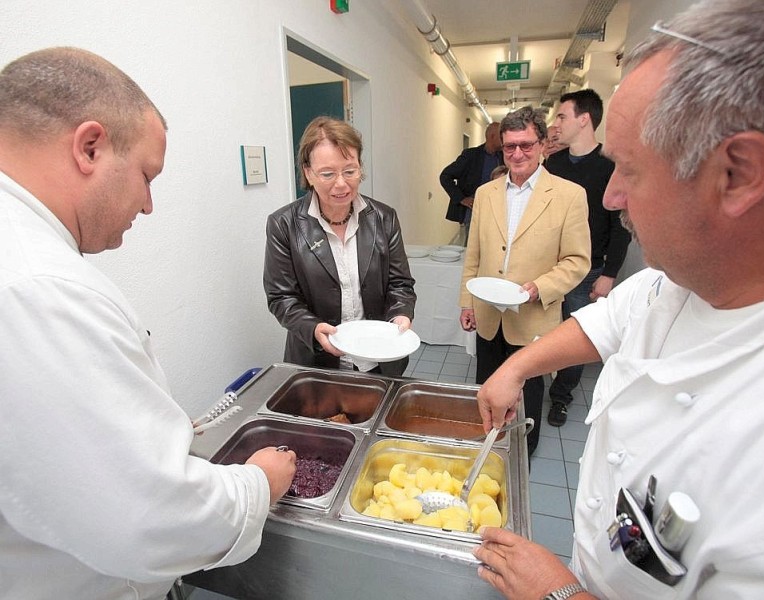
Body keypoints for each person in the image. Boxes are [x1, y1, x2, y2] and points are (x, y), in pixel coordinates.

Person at [473, 0, 764, 597]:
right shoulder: (672, 282)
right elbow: (602, 324)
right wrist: (516, 367)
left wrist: (563, 595)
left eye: (629, 169)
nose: (612, 197)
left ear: (739, 173)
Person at [0, 47, 297, 600]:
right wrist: (259, 484)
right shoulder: (39, 287)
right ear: (90, 147)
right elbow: (149, 516)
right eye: (146, 175)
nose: (148, 204)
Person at [459, 106, 590, 456]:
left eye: (526, 145)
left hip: (532, 320)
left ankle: (521, 455)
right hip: (489, 317)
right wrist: (466, 302)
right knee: (487, 388)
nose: (517, 154)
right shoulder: (486, 194)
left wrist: (540, 287)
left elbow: (578, 261)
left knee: (527, 398)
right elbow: (473, 253)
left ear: (543, 145)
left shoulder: (569, 195)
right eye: (509, 147)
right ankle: (489, 449)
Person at [264, 116, 416, 377]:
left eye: (349, 170)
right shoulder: (284, 225)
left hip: (378, 359)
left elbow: (400, 284)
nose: (341, 184)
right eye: (327, 174)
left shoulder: (383, 217)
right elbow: (281, 297)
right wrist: (312, 328)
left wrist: (399, 314)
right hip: (315, 362)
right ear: (308, 173)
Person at [546, 89, 631, 427]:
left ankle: (561, 397)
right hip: (549, 268)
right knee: (543, 331)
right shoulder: (553, 164)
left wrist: (609, 273)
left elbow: (621, 226)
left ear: (584, 120)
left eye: (562, 116)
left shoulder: (608, 165)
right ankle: (530, 386)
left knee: (578, 335)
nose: (556, 124)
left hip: (588, 268)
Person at [440, 121, 503, 242]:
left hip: (497, 212)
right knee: (472, 248)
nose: (505, 138)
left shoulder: (503, 157)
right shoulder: (471, 156)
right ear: (492, 136)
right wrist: (462, 198)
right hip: (474, 213)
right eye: (501, 135)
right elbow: (445, 176)